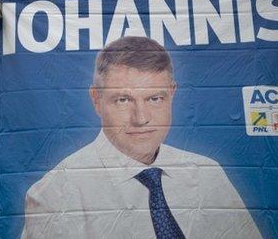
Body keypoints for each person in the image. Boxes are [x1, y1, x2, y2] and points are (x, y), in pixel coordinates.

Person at [22, 36, 261, 239]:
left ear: (172, 94)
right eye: (123, 100)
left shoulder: (207, 173)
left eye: (155, 99)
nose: (141, 118)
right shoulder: (56, 194)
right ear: (96, 99)